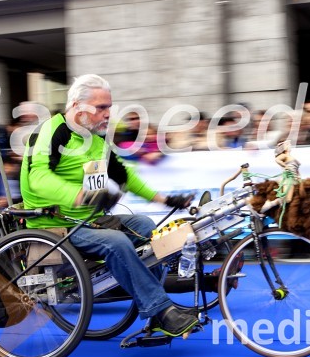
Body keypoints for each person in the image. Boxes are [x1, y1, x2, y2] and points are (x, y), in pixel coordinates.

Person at [20, 74, 198, 337]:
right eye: (101, 107)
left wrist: (165, 199)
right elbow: (38, 178)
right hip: (55, 224)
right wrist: (84, 196)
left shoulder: (96, 139)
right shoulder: (52, 130)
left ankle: (157, 303)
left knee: (146, 227)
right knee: (116, 242)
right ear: (78, 106)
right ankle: (161, 310)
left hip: (89, 220)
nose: (108, 114)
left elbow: (123, 175)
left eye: (109, 107)